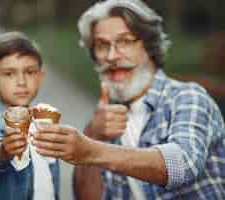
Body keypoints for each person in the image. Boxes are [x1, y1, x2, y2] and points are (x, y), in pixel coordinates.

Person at [32, 0, 225, 199]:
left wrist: (91, 149)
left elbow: (183, 165)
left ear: (149, 46)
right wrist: (94, 134)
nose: (112, 56)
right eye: (101, 45)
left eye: (124, 41)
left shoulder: (187, 97)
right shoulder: (105, 122)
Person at [0, 31, 59, 200]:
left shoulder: (43, 117)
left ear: (40, 76)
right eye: (9, 74)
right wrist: (4, 150)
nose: (21, 82)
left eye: (29, 72)